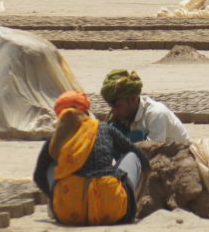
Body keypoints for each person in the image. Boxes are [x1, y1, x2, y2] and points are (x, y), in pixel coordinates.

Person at [33, 90, 150, 226]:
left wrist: (55, 197)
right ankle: (130, 207)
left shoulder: (55, 138)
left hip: (69, 213)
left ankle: (58, 204)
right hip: (111, 209)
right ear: (86, 111)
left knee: (52, 163)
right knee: (133, 156)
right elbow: (139, 155)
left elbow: (38, 176)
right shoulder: (103, 127)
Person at [101, 69, 191, 144]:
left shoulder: (156, 114)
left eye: (118, 106)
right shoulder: (120, 117)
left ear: (133, 99)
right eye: (111, 107)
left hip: (179, 160)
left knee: (135, 137)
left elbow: (152, 152)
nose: (114, 112)